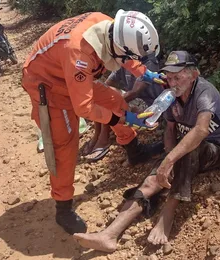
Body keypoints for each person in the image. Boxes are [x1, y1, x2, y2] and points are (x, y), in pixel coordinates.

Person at [21, 10, 166, 235]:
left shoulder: (110, 26)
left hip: (68, 73)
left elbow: (124, 55)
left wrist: (146, 74)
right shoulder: (78, 53)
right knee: (65, 145)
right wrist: (123, 118)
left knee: (115, 100)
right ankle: (63, 206)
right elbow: (84, 107)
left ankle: (134, 149)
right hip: (49, 85)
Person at [73, 50, 220, 252]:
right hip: (184, 151)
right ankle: (109, 234)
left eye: (178, 76)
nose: (173, 82)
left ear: (194, 74)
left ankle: (167, 215)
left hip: (213, 149)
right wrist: (168, 156)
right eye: (170, 77)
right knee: (151, 181)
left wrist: (169, 160)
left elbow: (200, 130)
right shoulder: (171, 95)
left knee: (190, 147)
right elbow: (170, 130)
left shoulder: (203, 91)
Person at [83, 52, 164, 162]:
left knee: (109, 102)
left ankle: (104, 137)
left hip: (146, 101)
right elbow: (107, 83)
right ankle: (98, 134)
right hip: (129, 99)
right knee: (101, 98)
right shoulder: (125, 59)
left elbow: (135, 92)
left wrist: (112, 103)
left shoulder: (149, 62)